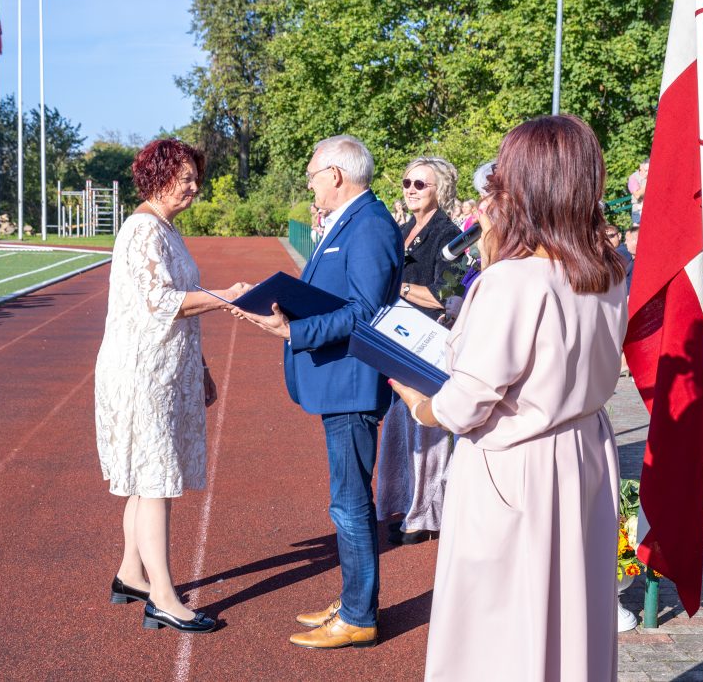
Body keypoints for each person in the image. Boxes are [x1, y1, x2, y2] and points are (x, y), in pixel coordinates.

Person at [389, 115, 627, 681]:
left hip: (514, 465)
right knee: (573, 614)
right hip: (583, 456)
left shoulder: (514, 280)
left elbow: (466, 400)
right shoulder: (608, 271)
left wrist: (415, 397)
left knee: (497, 626)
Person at [230, 135, 403, 649]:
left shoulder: (369, 225)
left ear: (335, 175)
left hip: (351, 384)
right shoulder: (351, 220)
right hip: (339, 381)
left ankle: (358, 615)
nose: (309, 183)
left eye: (311, 174)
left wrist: (294, 332)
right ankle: (355, 598)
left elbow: (363, 312)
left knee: (349, 505)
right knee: (346, 501)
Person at [95, 138, 247, 634]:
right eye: (185, 178)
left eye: (195, 179)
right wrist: (223, 297)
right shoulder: (143, 230)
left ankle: (130, 572)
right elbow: (162, 301)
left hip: (165, 367)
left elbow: (177, 307)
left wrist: (199, 366)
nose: (194, 188)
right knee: (155, 479)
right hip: (142, 373)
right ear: (157, 177)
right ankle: (162, 596)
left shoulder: (166, 229)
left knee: (145, 479)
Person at [377, 156, 464, 546]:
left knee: (425, 429)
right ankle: (402, 501)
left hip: (427, 343)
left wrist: (400, 289)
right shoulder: (403, 229)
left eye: (420, 184)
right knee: (399, 424)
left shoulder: (449, 235)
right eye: (407, 183)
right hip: (397, 340)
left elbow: (449, 296)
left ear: (440, 190)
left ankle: (426, 513)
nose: (410, 190)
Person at [616, 226, 638, 295]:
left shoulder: (640, 265)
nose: (625, 243)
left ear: (637, 241)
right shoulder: (633, 261)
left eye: (627, 240)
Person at [628, 159, 648, 225]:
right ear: (640, 167)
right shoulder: (633, 178)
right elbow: (637, 195)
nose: (647, 172)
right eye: (645, 170)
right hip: (638, 209)